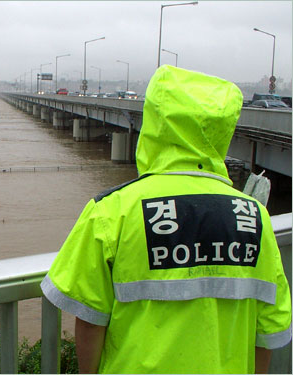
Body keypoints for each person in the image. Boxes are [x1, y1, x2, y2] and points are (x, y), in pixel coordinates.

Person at [40, 65, 292, 374]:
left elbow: (90, 319)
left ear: (155, 124)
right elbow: (268, 332)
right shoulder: (254, 218)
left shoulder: (114, 210)